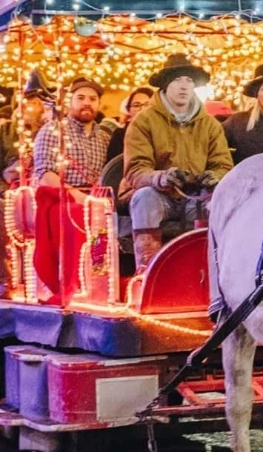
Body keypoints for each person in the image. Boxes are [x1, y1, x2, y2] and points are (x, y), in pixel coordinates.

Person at [123, 53, 232, 271]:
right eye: (177, 81)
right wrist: (160, 177)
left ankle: (214, 270)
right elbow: (135, 170)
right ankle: (147, 271)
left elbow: (223, 164)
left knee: (221, 204)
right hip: (159, 195)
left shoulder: (210, 125)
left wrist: (215, 176)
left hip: (196, 196)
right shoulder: (143, 121)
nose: (184, 86)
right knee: (143, 198)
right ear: (165, 85)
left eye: (189, 81)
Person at [32, 76, 111, 303]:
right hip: (60, 197)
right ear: (69, 102)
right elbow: (45, 174)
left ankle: (103, 283)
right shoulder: (52, 131)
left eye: (92, 99)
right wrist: (77, 196)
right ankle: (70, 285)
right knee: (73, 215)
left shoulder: (104, 137)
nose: (87, 103)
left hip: (95, 198)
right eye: (81, 98)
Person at [106, 87, 153, 163]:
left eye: (147, 104)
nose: (142, 109)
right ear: (129, 110)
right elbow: (113, 165)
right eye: (136, 105)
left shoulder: (162, 133)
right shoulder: (120, 135)